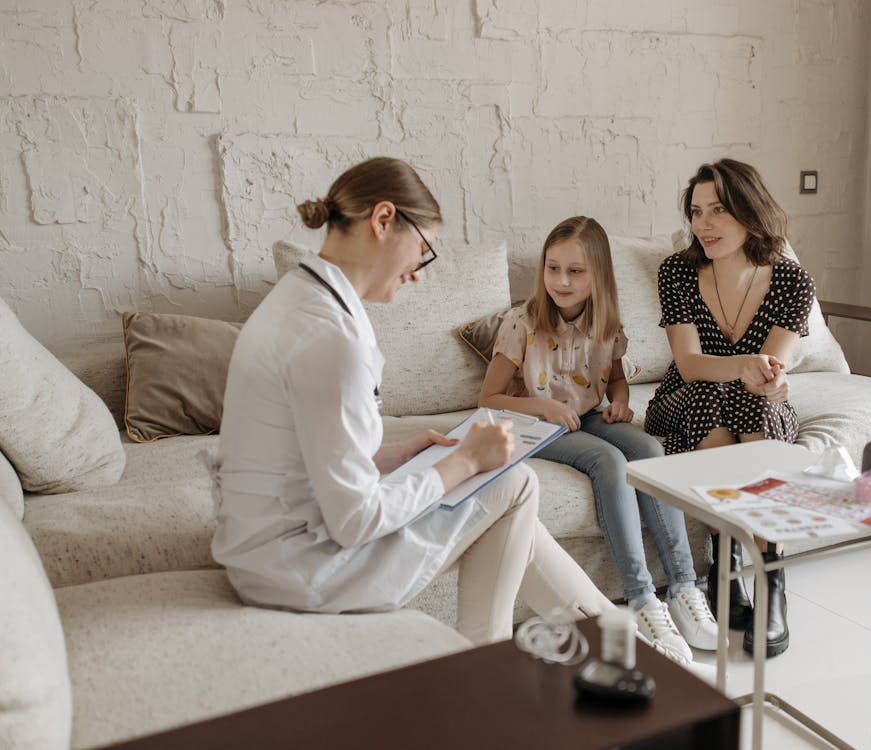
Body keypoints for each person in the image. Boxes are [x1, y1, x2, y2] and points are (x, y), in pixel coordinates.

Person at [209, 157, 613, 646]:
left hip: (267, 549)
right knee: (515, 483)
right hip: (304, 568)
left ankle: (612, 633)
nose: (419, 274)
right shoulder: (332, 340)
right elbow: (357, 520)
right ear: (383, 221)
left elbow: (299, 457)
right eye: (423, 251)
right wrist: (462, 461)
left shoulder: (297, 296)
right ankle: (497, 660)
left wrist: (393, 457)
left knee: (504, 494)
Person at [478, 216, 719, 665]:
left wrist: (621, 404)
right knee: (609, 462)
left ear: (599, 276)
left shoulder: (605, 323)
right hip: (535, 425)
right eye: (553, 269)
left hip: (587, 416)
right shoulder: (522, 322)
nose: (562, 281)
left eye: (575, 271)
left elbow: (616, 382)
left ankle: (685, 588)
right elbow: (488, 399)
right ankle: (643, 598)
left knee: (648, 449)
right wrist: (544, 406)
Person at [644, 159, 815, 658]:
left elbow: (772, 371)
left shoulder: (791, 281)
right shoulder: (677, 271)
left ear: (749, 210)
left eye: (718, 210)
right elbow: (690, 364)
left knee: (754, 409)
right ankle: (727, 554)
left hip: (755, 404)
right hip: (685, 399)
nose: (704, 224)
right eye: (696, 212)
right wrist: (746, 365)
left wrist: (771, 382)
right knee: (710, 395)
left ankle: (768, 578)